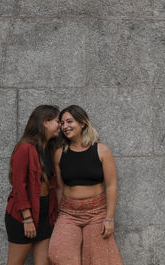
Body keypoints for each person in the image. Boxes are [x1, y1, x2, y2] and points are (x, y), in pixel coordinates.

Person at [48, 105, 124, 265]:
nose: (65, 126)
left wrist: (109, 218)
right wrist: (59, 216)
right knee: (58, 255)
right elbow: (60, 188)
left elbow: (111, 185)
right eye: (62, 123)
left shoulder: (101, 150)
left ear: (82, 123)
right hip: (68, 213)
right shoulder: (59, 153)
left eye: (69, 121)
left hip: (96, 213)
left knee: (99, 260)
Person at [5, 105, 60, 265]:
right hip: (22, 216)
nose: (60, 126)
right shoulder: (24, 149)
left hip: (44, 215)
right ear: (45, 122)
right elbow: (18, 186)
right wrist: (27, 219)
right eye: (57, 121)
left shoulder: (49, 149)